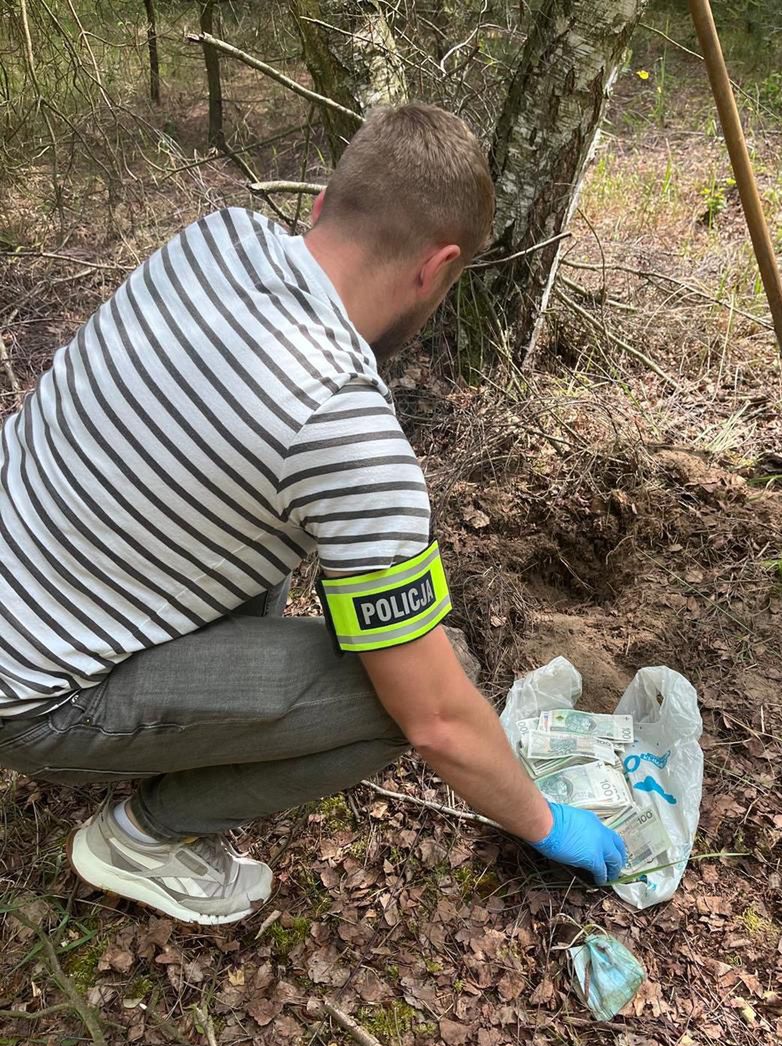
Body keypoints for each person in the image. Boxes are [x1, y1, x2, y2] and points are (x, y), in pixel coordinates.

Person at [0, 104, 625, 925]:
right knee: (414, 692)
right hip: (32, 698)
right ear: (437, 269)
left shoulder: (214, 241)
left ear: (327, 200)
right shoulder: (345, 431)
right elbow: (435, 719)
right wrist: (547, 824)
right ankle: (146, 837)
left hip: (32, 574)